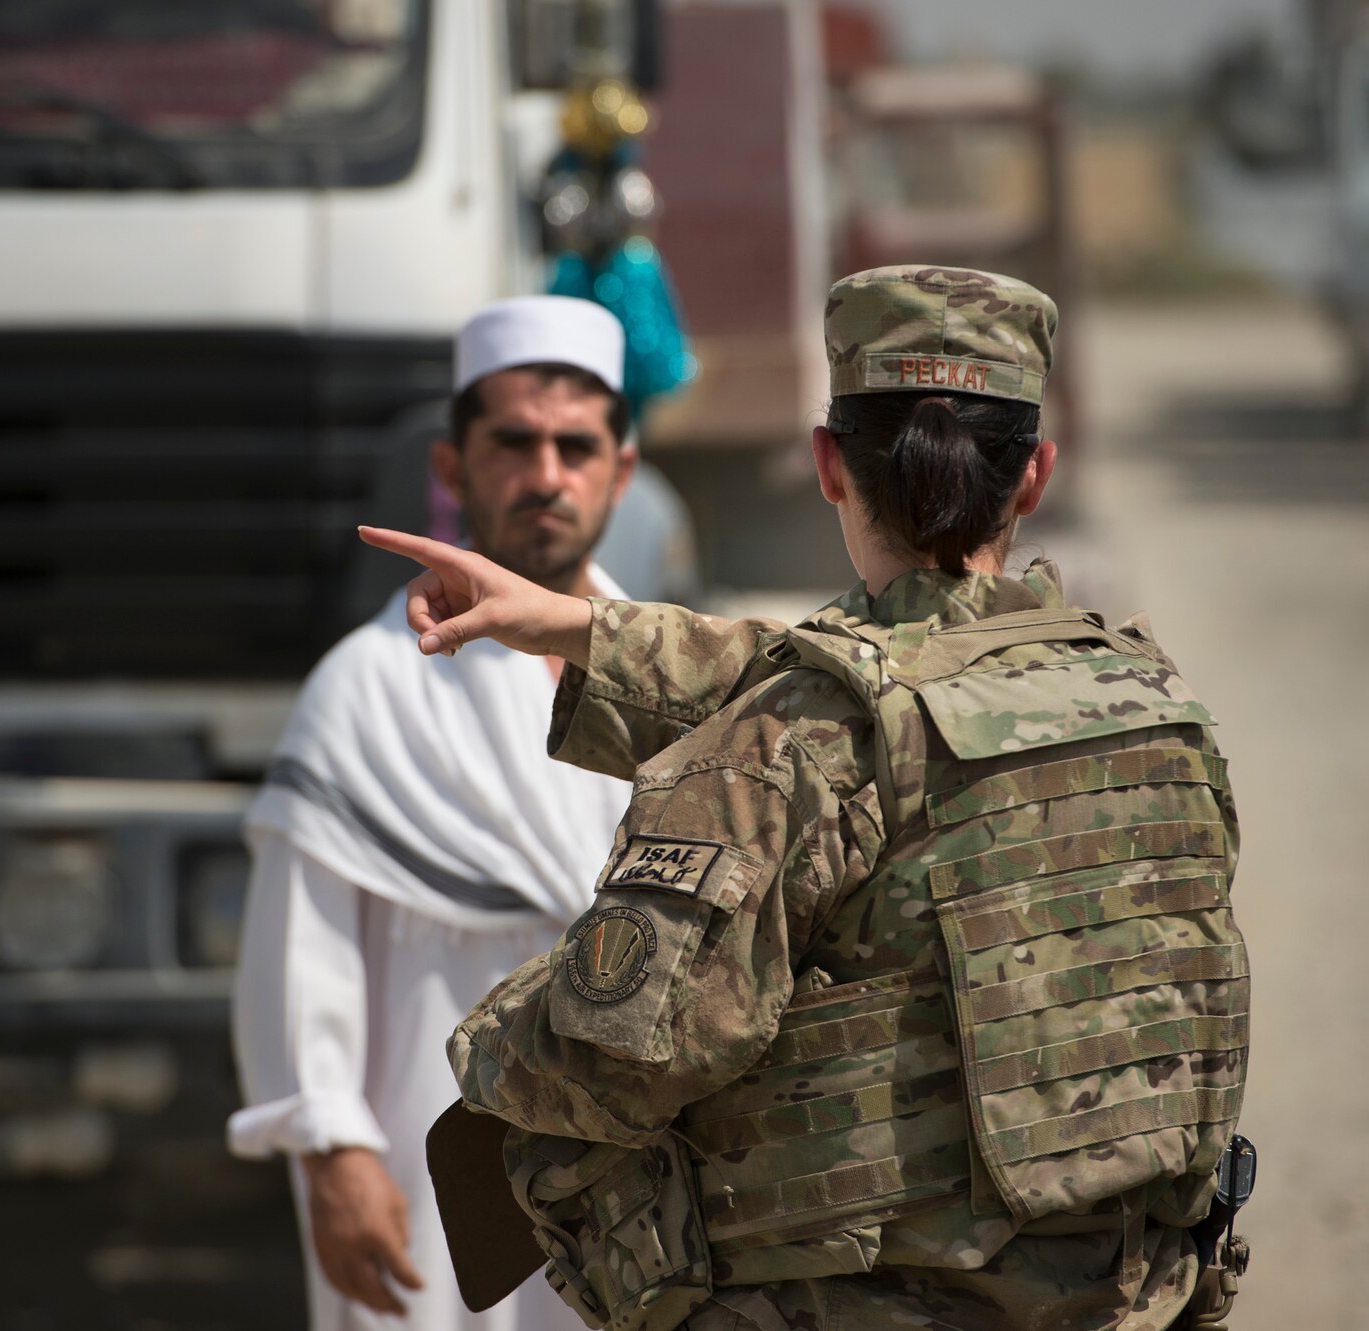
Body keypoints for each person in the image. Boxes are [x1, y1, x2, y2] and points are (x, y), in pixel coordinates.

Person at [366, 266, 1252, 1331]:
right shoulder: (1153, 704)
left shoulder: (791, 743)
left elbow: (621, 1055)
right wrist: (573, 625)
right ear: (1033, 476)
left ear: (829, 464)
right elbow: (877, 671)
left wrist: (493, 1035)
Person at [228, 296, 639, 1331]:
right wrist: (333, 1148)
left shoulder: (674, 681)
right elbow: (298, 947)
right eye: (514, 443)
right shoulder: (367, 688)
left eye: (574, 446)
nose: (546, 474)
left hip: (634, 1167)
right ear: (451, 469)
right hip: (426, 1147)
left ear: (618, 472)